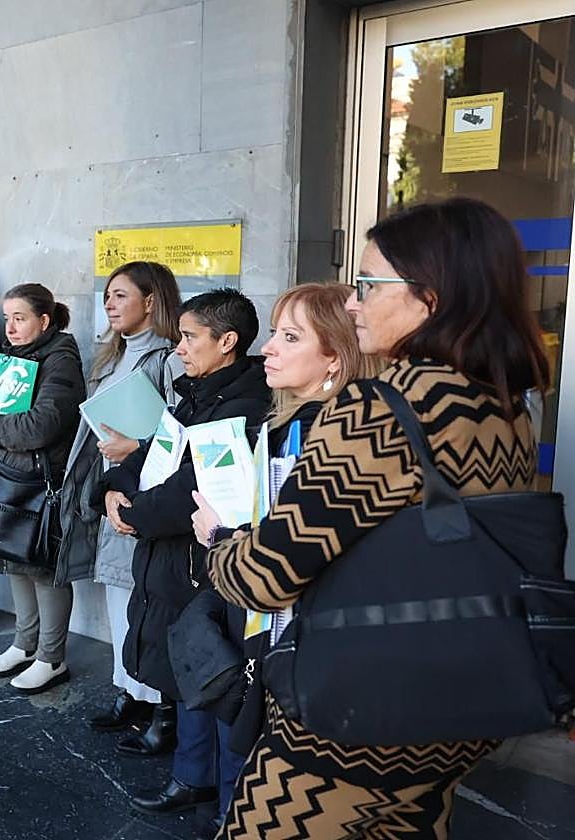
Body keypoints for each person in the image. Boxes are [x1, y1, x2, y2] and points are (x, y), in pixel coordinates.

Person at [204, 198, 550, 838]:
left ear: (430, 296)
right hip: (460, 702)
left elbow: (265, 575)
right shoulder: (503, 404)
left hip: (352, 723)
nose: (355, 302)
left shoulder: (383, 408)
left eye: (368, 284)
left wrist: (220, 539)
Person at [144, 283, 375, 836]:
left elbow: (297, 554)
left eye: (288, 337)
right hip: (256, 615)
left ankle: (235, 812)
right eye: (274, 332)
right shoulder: (286, 421)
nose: (267, 348)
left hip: (295, 638)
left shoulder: (334, 436)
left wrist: (221, 537)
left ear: (334, 359)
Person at [94, 289, 269, 817]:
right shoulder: (192, 392)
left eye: (191, 338)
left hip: (207, 563)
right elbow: (151, 451)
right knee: (190, 670)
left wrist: (134, 514)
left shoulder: (245, 405)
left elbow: (190, 489)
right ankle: (192, 776)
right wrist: (111, 489)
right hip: (171, 560)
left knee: (218, 681)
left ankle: (229, 805)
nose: (180, 350)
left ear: (228, 342)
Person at [54, 261, 185, 745]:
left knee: (142, 598)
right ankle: (129, 689)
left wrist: (134, 449)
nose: (109, 304)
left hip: (144, 492)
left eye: (121, 295)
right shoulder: (110, 357)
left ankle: (157, 707)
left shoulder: (169, 359)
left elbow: (177, 434)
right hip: (105, 485)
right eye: (107, 295)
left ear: (151, 301)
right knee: (118, 596)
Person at [0, 283, 85, 693]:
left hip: (37, 482)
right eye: (7, 317)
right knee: (11, 558)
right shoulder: (5, 357)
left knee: (43, 568)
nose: (10, 326)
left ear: (44, 321)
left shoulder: (60, 359)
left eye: (21, 318)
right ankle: (24, 643)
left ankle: (52, 657)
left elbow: (42, 425)